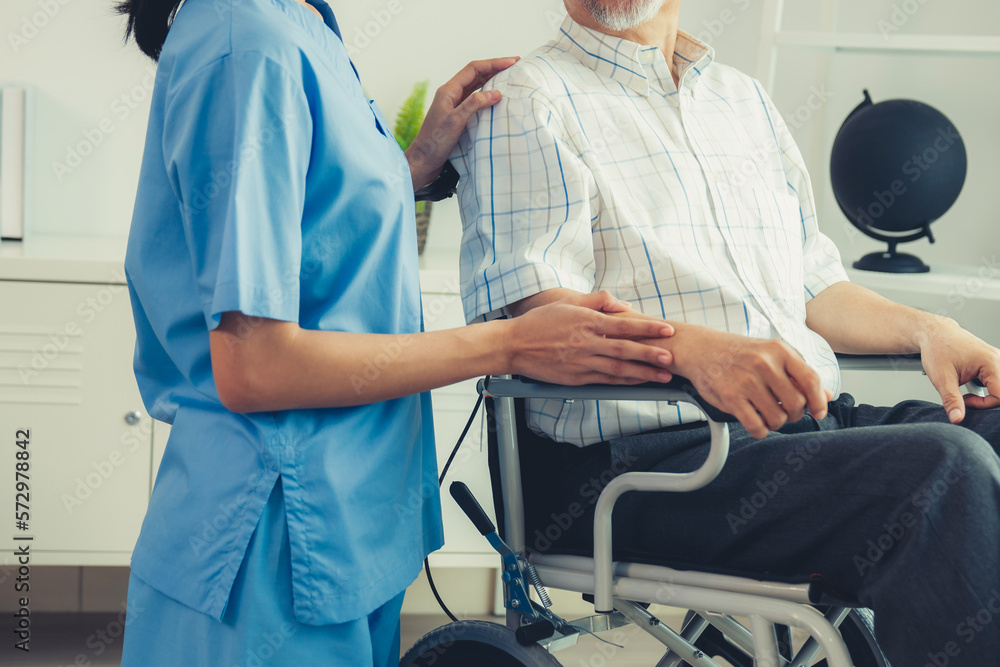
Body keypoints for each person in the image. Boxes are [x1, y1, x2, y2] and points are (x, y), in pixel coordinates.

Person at [112, 0, 680, 664]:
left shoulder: (299, 21)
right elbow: (255, 366)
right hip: (272, 538)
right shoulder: (251, 44)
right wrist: (508, 343)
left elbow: (307, 225)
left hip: (348, 525)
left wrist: (405, 167)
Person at [453, 0, 1000, 664]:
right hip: (639, 467)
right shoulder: (525, 99)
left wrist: (928, 329)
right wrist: (690, 350)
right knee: (943, 472)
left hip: (795, 434)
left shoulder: (746, 102)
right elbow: (544, 318)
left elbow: (814, 288)